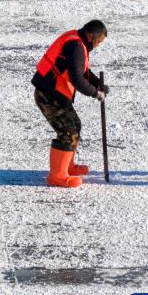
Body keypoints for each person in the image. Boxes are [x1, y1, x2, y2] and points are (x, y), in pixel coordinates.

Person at [32, 20, 109, 188]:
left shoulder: (78, 42)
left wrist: (98, 84)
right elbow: (76, 78)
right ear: (90, 36)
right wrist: (95, 93)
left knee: (74, 125)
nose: (98, 45)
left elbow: (81, 70)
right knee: (68, 131)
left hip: (55, 93)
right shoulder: (76, 46)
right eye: (98, 41)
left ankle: (67, 166)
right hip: (48, 94)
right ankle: (57, 176)